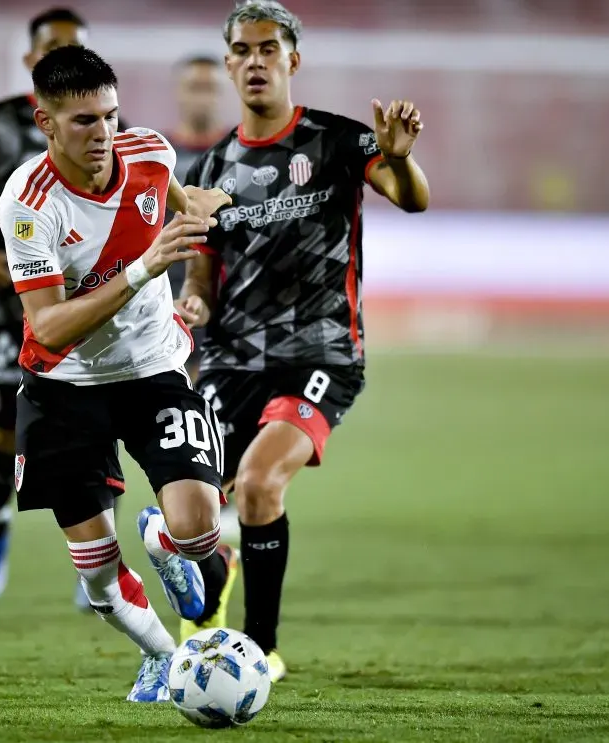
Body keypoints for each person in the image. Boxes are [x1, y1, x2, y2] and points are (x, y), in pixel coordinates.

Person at [176, 0, 430, 682]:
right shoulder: (208, 171)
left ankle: (258, 649)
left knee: (258, 483)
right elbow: (202, 269)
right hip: (231, 360)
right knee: (188, 506)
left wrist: (401, 161)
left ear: (293, 59)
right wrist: (192, 299)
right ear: (228, 63)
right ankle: (200, 622)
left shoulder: (339, 141)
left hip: (321, 353)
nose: (255, 61)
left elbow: (413, 198)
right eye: (242, 50)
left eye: (268, 49)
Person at [0, 45, 235, 701]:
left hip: (154, 368)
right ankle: (164, 658)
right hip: (63, 387)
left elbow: (184, 210)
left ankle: (162, 537)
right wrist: (142, 270)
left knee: (199, 528)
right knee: (98, 577)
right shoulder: (28, 204)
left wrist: (199, 236)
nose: (103, 133)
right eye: (82, 122)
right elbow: (46, 327)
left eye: (109, 115)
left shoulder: (152, 153)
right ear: (45, 123)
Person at [0, 8, 124, 609]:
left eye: (76, 47)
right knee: (3, 435)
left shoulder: (106, 125)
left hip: (89, 306)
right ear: (29, 60)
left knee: (99, 426)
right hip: (10, 305)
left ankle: (95, 561)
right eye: (53, 47)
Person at [160, 54, 241, 543]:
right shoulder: (157, 155)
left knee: (221, 398)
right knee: (169, 405)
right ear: (179, 91)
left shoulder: (239, 154)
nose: (202, 94)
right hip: (163, 298)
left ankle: (216, 499)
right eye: (193, 85)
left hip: (226, 300)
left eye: (210, 86)